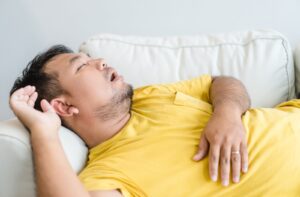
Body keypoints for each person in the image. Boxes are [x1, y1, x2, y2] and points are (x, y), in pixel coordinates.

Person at [9, 45, 300, 197]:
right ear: (64, 106)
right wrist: (42, 132)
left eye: (92, 57)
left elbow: (221, 82)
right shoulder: (108, 174)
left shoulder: (147, 96)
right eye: (83, 65)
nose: (100, 61)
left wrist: (227, 114)